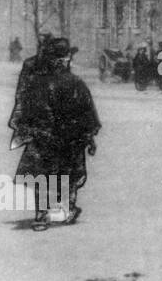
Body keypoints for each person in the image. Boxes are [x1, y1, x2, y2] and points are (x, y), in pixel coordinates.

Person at [8, 38, 102, 230]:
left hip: (42, 138)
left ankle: (41, 216)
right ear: (63, 60)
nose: (70, 60)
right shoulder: (76, 83)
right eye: (68, 57)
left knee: (42, 176)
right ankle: (66, 210)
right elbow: (87, 114)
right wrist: (89, 138)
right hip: (69, 140)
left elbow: (24, 109)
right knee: (69, 174)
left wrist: (25, 131)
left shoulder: (36, 82)